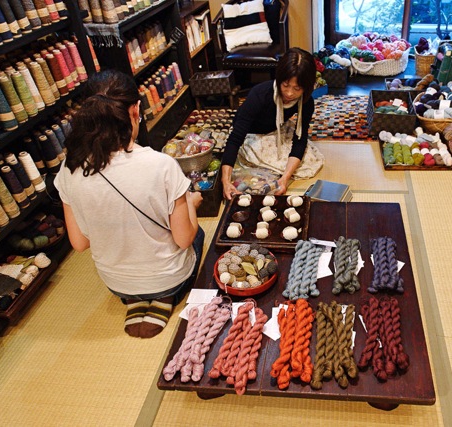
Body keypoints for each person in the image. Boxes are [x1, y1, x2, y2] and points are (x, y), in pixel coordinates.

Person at [54, 69, 205, 339]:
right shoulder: (161, 165)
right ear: (135, 110)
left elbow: (79, 243)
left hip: (115, 282)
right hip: (169, 276)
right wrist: (191, 202)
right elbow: (184, 239)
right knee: (198, 232)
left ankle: (135, 298)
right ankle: (165, 295)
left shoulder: (70, 168)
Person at [221, 47, 325, 200]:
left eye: (297, 88)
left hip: (276, 128)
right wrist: (225, 181)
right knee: (269, 164)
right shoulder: (260, 94)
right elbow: (236, 137)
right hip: (252, 133)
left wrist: (285, 179)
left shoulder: (306, 102)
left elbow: (300, 139)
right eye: (285, 85)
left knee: (309, 158)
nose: (289, 93)